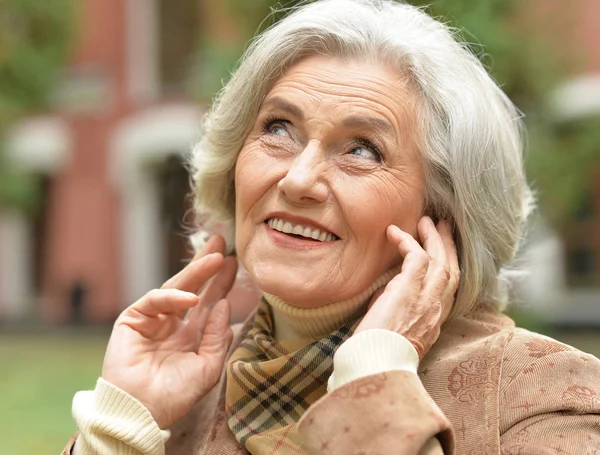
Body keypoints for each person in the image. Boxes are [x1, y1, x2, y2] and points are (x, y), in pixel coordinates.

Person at [62, 0, 600, 454]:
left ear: (444, 215)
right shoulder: (179, 399)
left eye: (362, 150)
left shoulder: (546, 395)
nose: (298, 179)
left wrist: (372, 384)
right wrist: (118, 433)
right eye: (278, 128)